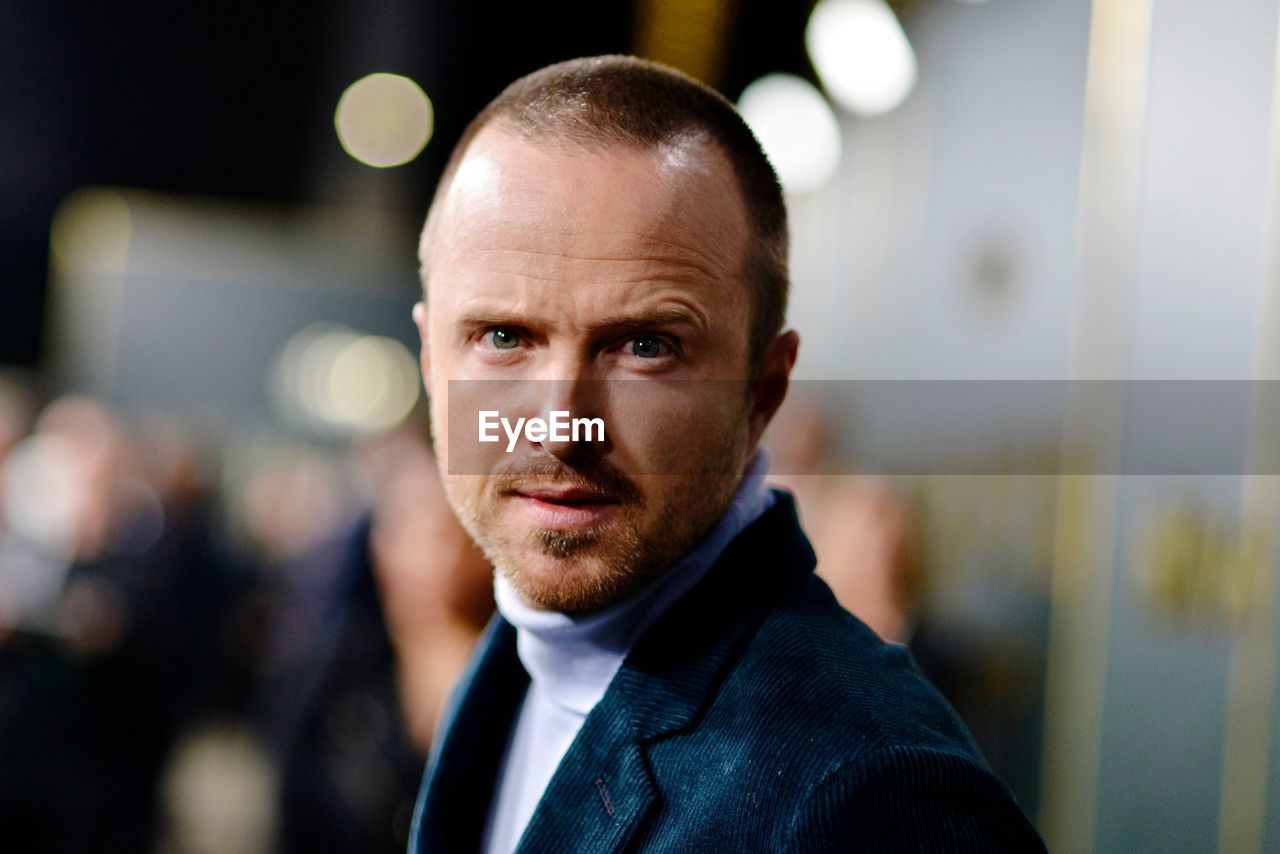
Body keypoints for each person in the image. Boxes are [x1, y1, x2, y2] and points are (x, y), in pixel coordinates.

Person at [407, 55, 1045, 852]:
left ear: (762, 392)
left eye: (644, 347)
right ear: (433, 361)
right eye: (503, 337)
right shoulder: (517, 654)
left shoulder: (875, 792)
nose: (561, 428)